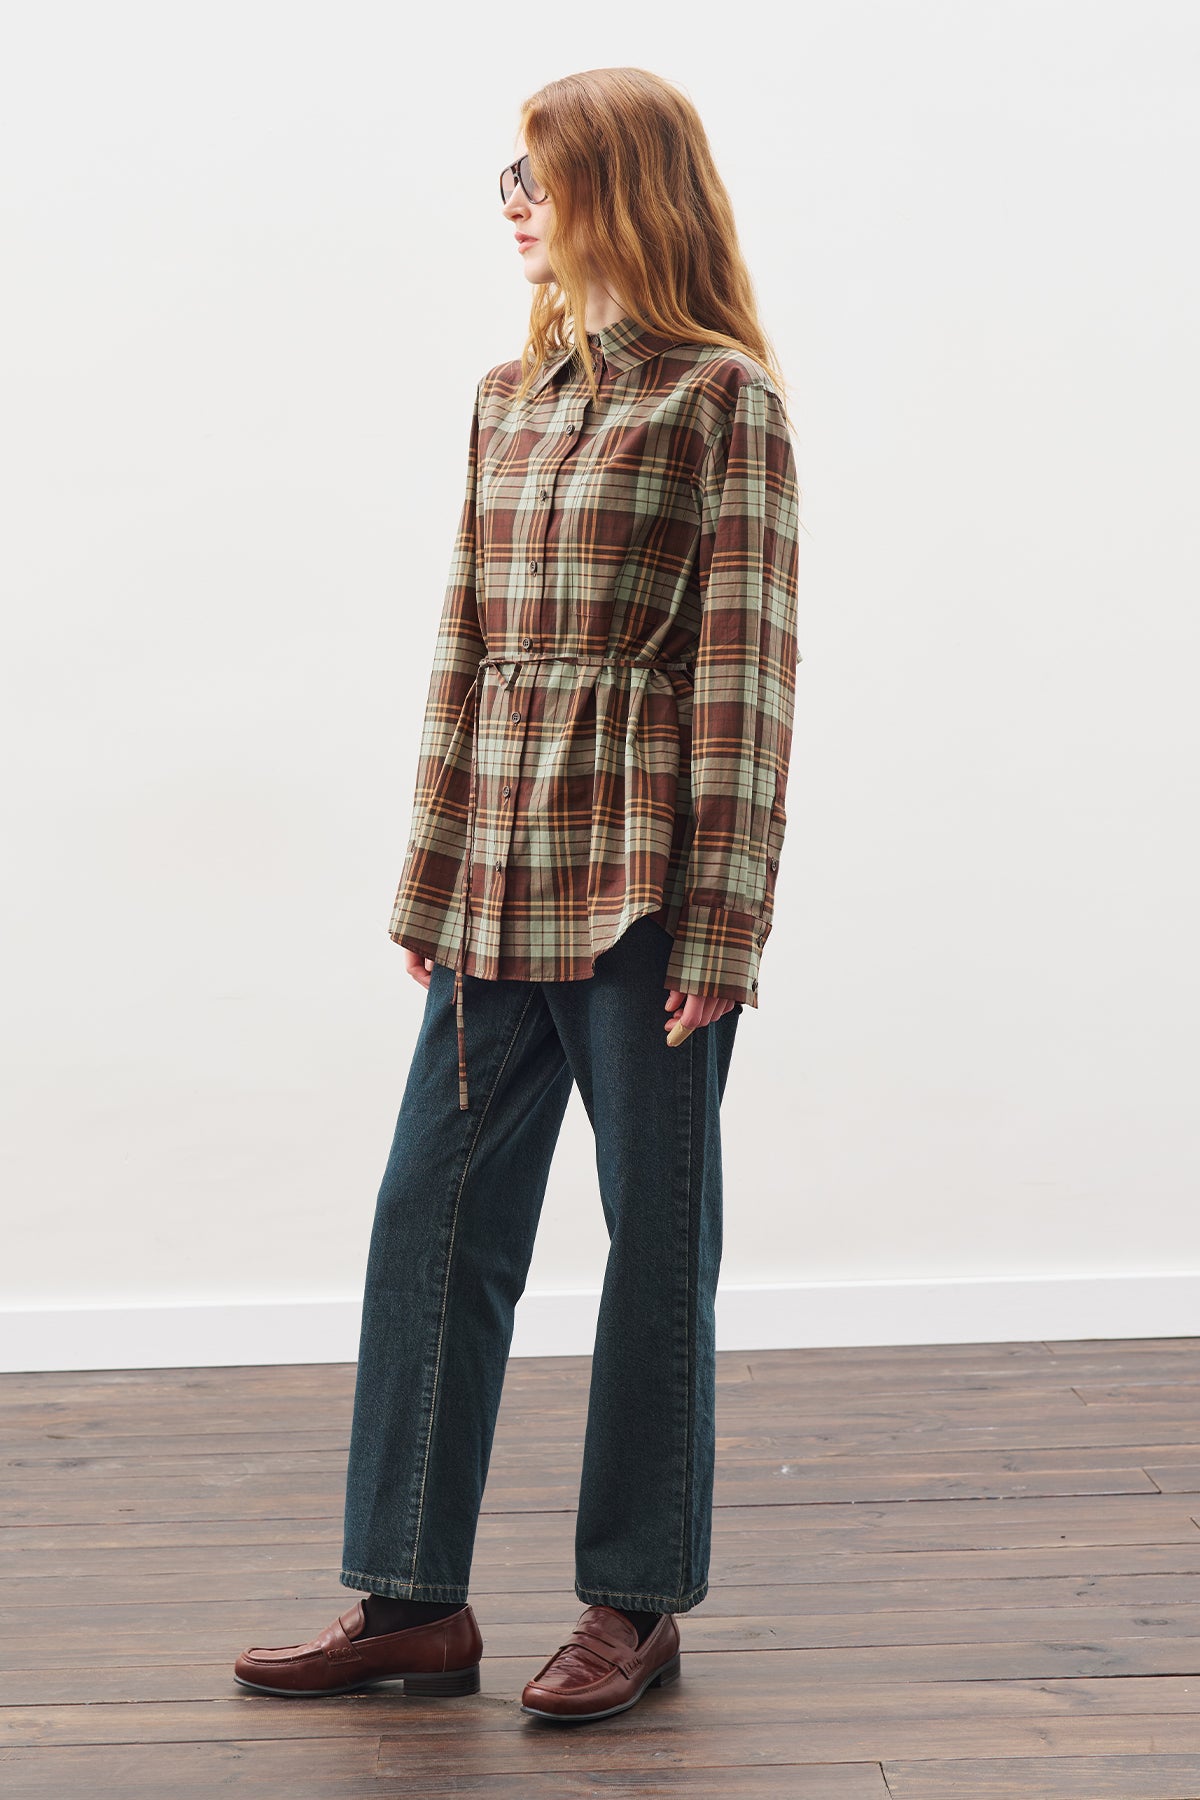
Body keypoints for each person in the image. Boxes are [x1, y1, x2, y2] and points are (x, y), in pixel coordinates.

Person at [233, 65, 801, 1725]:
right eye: (511, 175)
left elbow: (746, 677)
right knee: (434, 1223)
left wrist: (726, 923)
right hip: (495, 879)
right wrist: (427, 875)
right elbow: (465, 651)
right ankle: (410, 1599)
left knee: (653, 1247)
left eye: (538, 176)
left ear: (620, 188)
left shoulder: (723, 401)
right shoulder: (508, 398)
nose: (515, 204)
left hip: (643, 891)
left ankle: (634, 1601)